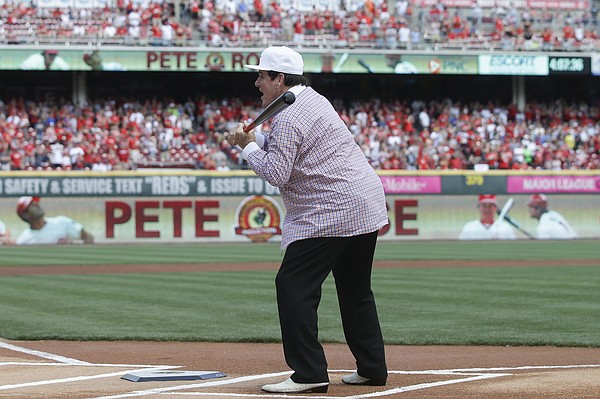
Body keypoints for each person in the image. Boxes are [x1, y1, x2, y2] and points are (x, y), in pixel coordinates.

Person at [226, 46, 388, 394]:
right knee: (356, 291)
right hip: (363, 204)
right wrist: (256, 138)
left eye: (262, 76)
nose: (257, 82)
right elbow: (293, 146)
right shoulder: (312, 99)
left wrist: (247, 147)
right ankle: (372, 368)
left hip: (330, 211)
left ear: (279, 79)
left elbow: (277, 172)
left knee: (293, 286)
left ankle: (309, 372)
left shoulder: (288, 115)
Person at [15, 196, 94, 245]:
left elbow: (88, 237)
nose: (37, 204)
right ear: (26, 215)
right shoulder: (23, 240)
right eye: (31, 205)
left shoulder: (62, 222)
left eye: (36, 202)